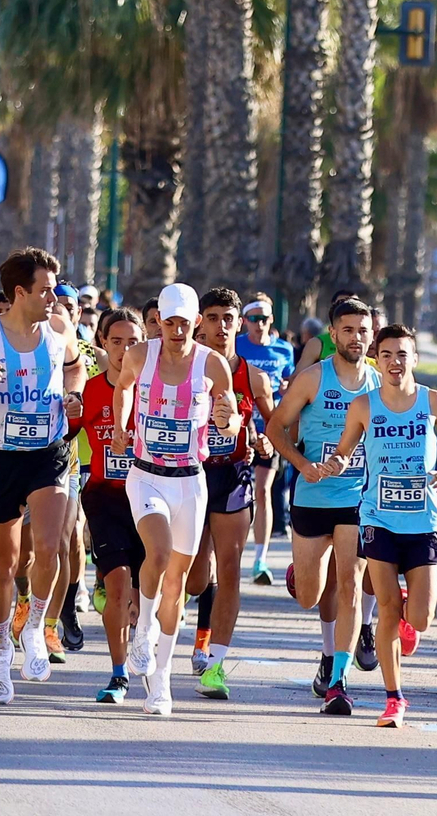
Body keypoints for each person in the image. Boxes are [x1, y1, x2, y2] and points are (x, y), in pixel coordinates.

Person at [0, 248, 87, 704]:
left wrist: (73, 397)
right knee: (5, 564)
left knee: (49, 547)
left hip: (49, 453)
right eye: (46, 289)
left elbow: (76, 368)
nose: (54, 296)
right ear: (20, 292)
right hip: (2, 457)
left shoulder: (61, 329)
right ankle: (0, 646)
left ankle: (37, 626)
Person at [327, 324, 437, 726]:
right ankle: (395, 699)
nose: (394, 362)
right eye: (386, 355)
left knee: (420, 617)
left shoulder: (434, 401)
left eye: (402, 354)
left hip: (423, 519)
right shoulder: (364, 406)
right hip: (377, 519)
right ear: (377, 359)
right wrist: (332, 464)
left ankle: (410, 605)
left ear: (414, 359)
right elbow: (344, 451)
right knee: (387, 608)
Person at [109, 284, 238, 716]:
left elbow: (230, 413)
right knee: (158, 553)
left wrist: (228, 420)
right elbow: (124, 387)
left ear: (196, 322)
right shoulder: (140, 356)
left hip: (190, 481)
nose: (178, 330)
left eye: (185, 322)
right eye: (170, 322)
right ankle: (142, 628)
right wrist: (122, 424)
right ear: (159, 322)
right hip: (147, 477)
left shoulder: (213, 364)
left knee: (178, 584)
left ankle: (160, 681)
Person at [265, 296, 381, 708]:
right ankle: (301, 572)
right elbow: (275, 427)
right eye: (347, 330)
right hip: (312, 496)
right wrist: (300, 463)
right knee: (310, 596)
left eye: (363, 331)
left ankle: (337, 678)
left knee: (348, 585)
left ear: (372, 335)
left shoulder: (381, 383)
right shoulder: (313, 378)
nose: (356, 338)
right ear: (333, 334)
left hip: (359, 498)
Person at [187, 287, 276, 699]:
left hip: (233, 475)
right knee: (193, 578)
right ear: (199, 322)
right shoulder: (184, 367)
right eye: (213, 317)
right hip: (189, 474)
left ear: (239, 324)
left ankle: (216, 663)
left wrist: (268, 443)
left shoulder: (253, 376)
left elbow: (276, 426)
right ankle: (189, 630)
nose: (221, 326)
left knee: (229, 569)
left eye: (228, 318)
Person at [70, 307, 145, 703]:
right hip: (105, 497)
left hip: (152, 495)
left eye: (133, 341)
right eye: (116, 341)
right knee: (117, 585)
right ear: (102, 342)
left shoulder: (155, 388)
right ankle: (119, 675)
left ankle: (147, 651)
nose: (124, 349)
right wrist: (69, 416)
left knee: (149, 590)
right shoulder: (91, 390)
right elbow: (65, 434)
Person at [239, 295, 296, 581]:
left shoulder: (284, 350)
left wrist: (287, 388)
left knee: (262, 491)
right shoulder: (237, 346)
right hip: (237, 428)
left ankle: (260, 560)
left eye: (264, 319)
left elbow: (289, 384)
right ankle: (223, 559)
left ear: (271, 321)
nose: (259, 324)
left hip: (270, 428)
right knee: (236, 497)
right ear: (244, 321)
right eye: (254, 319)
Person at [295, 289, 360, 374]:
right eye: (342, 305)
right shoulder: (318, 343)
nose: (348, 310)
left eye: (355, 305)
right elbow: (297, 377)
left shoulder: (366, 341)